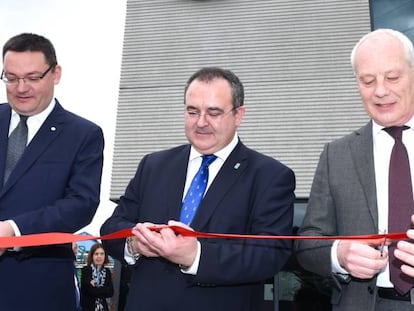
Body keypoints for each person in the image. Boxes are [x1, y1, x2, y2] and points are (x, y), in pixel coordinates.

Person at [100, 67, 295, 311]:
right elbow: (112, 227)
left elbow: (270, 253)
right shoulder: (154, 165)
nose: (201, 123)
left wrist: (196, 257)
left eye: (213, 113)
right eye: (193, 111)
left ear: (239, 115)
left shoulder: (270, 176)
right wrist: (134, 244)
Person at [296, 28, 414, 310]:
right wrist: (340, 254)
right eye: (368, 80)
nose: (381, 90)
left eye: (393, 77)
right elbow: (307, 244)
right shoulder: (336, 155)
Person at [0, 33, 104, 311]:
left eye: (33, 78)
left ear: (55, 74)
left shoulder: (83, 135)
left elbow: (80, 204)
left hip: (38, 288)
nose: (21, 88)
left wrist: (13, 230)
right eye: (11, 78)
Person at [80, 243, 114, 311]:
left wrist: (95, 287)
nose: (99, 256)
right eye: (96, 254)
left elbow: (110, 292)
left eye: (102, 254)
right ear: (92, 256)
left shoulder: (107, 272)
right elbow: (90, 291)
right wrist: (104, 289)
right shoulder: (86, 270)